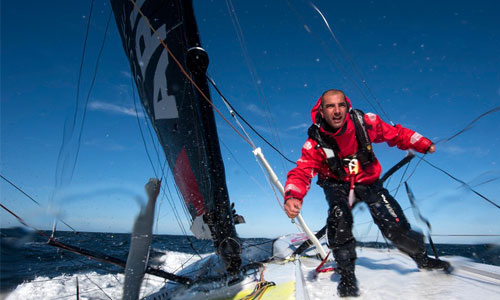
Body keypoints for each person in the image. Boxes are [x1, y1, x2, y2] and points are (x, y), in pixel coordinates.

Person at [284, 89, 451, 297]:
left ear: (347, 107)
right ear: (322, 111)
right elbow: (302, 171)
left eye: (341, 105)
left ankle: (422, 259)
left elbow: (396, 134)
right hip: (336, 183)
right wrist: (293, 195)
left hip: (368, 180)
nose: (337, 111)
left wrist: (422, 143)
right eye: (330, 106)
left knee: (394, 226)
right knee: (340, 219)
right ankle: (346, 277)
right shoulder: (314, 142)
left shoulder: (365, 123)